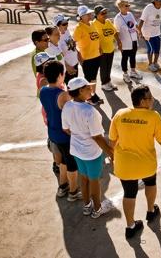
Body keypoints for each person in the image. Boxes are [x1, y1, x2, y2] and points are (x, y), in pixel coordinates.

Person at [109, 85, 161, 239]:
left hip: (125, 165)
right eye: (150, 98)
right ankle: (150, 211)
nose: (153, 100)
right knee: (150, 183)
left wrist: (112, 157)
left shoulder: (120, 114)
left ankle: (130, 226)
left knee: (129, 193)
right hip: (146, 164)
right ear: (143, 101)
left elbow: (112, 140)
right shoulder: (154, 116)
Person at [62, 77, 114, 218]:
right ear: (80, 91)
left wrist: (79, 135)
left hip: (76, 150)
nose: (91, 89)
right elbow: (97, 137)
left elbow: (66, 129)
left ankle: (87, 206)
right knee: (94, 181)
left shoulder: (67, 106)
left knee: (83, 178)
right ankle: (97, 209)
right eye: (87, 87)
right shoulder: (90, 111)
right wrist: (111, 153)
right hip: (91, 153)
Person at [40, 60, 81, 201]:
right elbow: (75, 110)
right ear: (60, 75)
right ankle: (73, 192)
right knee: (72, 164)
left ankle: (62, 186)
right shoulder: (63, 95)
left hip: (53, 133)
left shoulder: (43, 91)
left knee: (63, 160)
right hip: (65, 135)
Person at [73, 5, 103, 106]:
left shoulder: (91, 24)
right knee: (89, 80)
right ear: (81, 16)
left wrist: (100, 49)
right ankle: (89, 98)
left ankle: (93, 94)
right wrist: (79, 56)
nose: (90, 15)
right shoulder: (79, 28)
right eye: (87, 14)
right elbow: (73, 43)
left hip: (96, 56)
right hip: (87, 58)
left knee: (94, 78)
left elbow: (96, 38)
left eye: (90, 13)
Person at [114, 0, 142, 84]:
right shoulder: (118, 18)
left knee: (133, 57)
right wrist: (119, 43)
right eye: (126, 5)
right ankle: (125, 74)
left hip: (133, 40)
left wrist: (139, 31)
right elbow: (116, 32)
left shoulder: (130, 14)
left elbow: (135, 24)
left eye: (128, 5)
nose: (128, 7)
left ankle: (133, 72)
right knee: (125, 58)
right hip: (125, 42)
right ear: (120, 7)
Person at [93, 5, 121, 92]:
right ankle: (104, 84)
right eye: (102, 13)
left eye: (105, 12)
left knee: (109, 67)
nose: (105, 14)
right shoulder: (93, 24)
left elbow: (115, 32)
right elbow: (93, 38)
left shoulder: (108, 21)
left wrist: (119, 42)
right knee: (104, 68)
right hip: (102, 51)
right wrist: (98, 48)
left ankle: (108, 82)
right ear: (97, 14)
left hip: (110, 49)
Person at [54, 14, 79, 84]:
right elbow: (59, 55)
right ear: (57, 26)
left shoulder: (66, 31)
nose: (67, 25)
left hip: (74, 64)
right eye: (64, 24)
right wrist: (67, 67)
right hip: (67, 68)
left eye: (67, 23)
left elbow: (71, 46)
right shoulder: (57, 38)